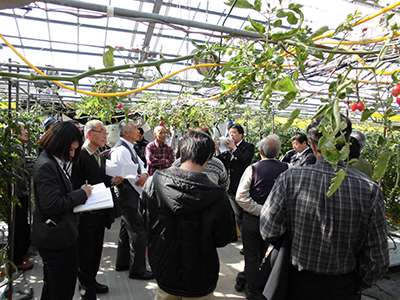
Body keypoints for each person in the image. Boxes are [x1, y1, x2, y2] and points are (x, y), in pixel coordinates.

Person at [260, 115, 389, 300]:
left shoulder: (290, 179)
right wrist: (355, 284)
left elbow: (268, 230)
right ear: (346, 145)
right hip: (342, 286)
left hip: (295, 282)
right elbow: (378, 259)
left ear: (313, 146)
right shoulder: (370, 190)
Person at [140, 130, 237, 299]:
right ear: (208, 157)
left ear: (181, 152)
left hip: (164, 266)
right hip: (200, 273)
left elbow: (143, 219)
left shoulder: (153, 182)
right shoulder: (217, 196)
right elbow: (223, 238)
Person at [32, 122, 92, 300]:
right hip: (57, 240)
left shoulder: (51, 162)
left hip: (59, 236)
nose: (72, 154)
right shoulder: (46, 166)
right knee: (62, 291)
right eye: (71, 149)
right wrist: (81, 194)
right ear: (59, 144)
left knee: (53, 289)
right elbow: (51, 204)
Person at [71, 120, 123, 300]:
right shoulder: (80, 156)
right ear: (89, 134)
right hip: (86, 214)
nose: (105, 135)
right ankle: (86, 289)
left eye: (105, 132)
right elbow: (76, 185)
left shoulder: (99, 155)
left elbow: (99, 180)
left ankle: (91, 280)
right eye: (101, 131)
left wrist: (112, 182)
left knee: (95, 253)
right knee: (85, 254)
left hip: (100, 212)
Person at [235, 135, 288, 299]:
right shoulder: (288, 168)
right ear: (278, 151)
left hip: (253, 219)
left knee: (252, 257)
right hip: (275, 221)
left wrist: (259, 209)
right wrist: (272, 211)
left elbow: (241, 197)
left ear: (260, 152)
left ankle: (253, 291)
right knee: (263, 252)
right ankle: (254, 285)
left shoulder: (253, 169)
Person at [109, 119, 153, 280]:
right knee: (138, 231)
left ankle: (123, 262)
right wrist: (143, 185)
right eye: (135, 128)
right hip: (129, 193)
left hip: (130, 192)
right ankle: (137, 269)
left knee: (126, 230)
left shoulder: (129, 148)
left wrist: (145, 174)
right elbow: (132, 178)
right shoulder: (121, 151)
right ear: (126, 133)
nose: (138, 130)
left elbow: (141, 166)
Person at [216, 123, 255, 236]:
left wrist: (234, 148)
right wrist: (218, 150)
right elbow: (222, 162)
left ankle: (246, 239)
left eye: (234, 133)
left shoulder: (248, 147)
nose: (231, 135)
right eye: (230, 133)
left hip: (240, 185)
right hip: (229, 185)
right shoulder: (228, 148)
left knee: (241, 213)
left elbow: (246, 160)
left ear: (241, 135)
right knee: (230, 213)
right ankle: (232, 235)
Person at [12, 123, 34, 271]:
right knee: (19, 226)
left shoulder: (18, 148)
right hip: (18, 194)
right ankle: (18, 259)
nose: (26, 132)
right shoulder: (15, 149)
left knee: (20, 225)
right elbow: (18, 173)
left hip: (20, 193)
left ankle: (20, 256)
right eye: (23, 130)